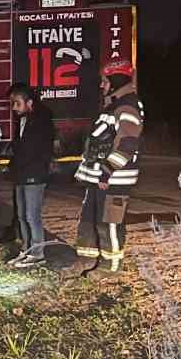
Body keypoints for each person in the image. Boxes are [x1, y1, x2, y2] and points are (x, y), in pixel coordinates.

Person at [76, 60, 144, 273]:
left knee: (110, 224)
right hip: (100, 179)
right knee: (89, 221)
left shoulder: (127, 106)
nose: (102, 85)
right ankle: (88, 260)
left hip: (113, 180)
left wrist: (106, 173)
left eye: (105, 81)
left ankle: (110, 268)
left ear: (116, 81)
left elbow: (128, 143)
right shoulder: (113, 105)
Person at [6, 83, 55, 267]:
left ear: (29, 102)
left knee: (31, 215)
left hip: (34, 174)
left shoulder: (41, 121)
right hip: (21, 173)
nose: (14, 108)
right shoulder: (23, 119)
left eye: (17, 103)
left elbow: (36, 150)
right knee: (21, 215)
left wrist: (21, 162)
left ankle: (38, 253)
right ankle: (26, 249)